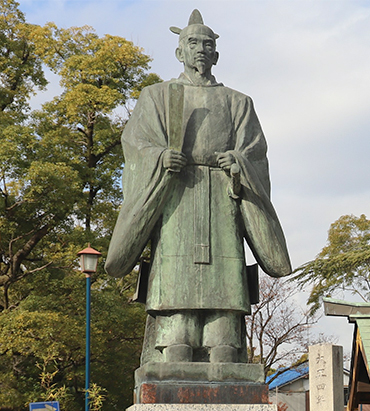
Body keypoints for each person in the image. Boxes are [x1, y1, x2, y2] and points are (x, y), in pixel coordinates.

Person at [106, 9, 291, 368]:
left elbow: (256, 153)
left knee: (225, 269)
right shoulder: (157, 96)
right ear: (180, 52)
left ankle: (224, 341)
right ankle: (176, 340)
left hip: (224, 194)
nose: (201, 50)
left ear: (217, 55)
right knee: (176, 270)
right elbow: (137, 144)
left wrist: (237, 163)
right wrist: (160, 158)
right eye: (193, 43)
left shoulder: (238, 102)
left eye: (208, 44)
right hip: (174, 193)